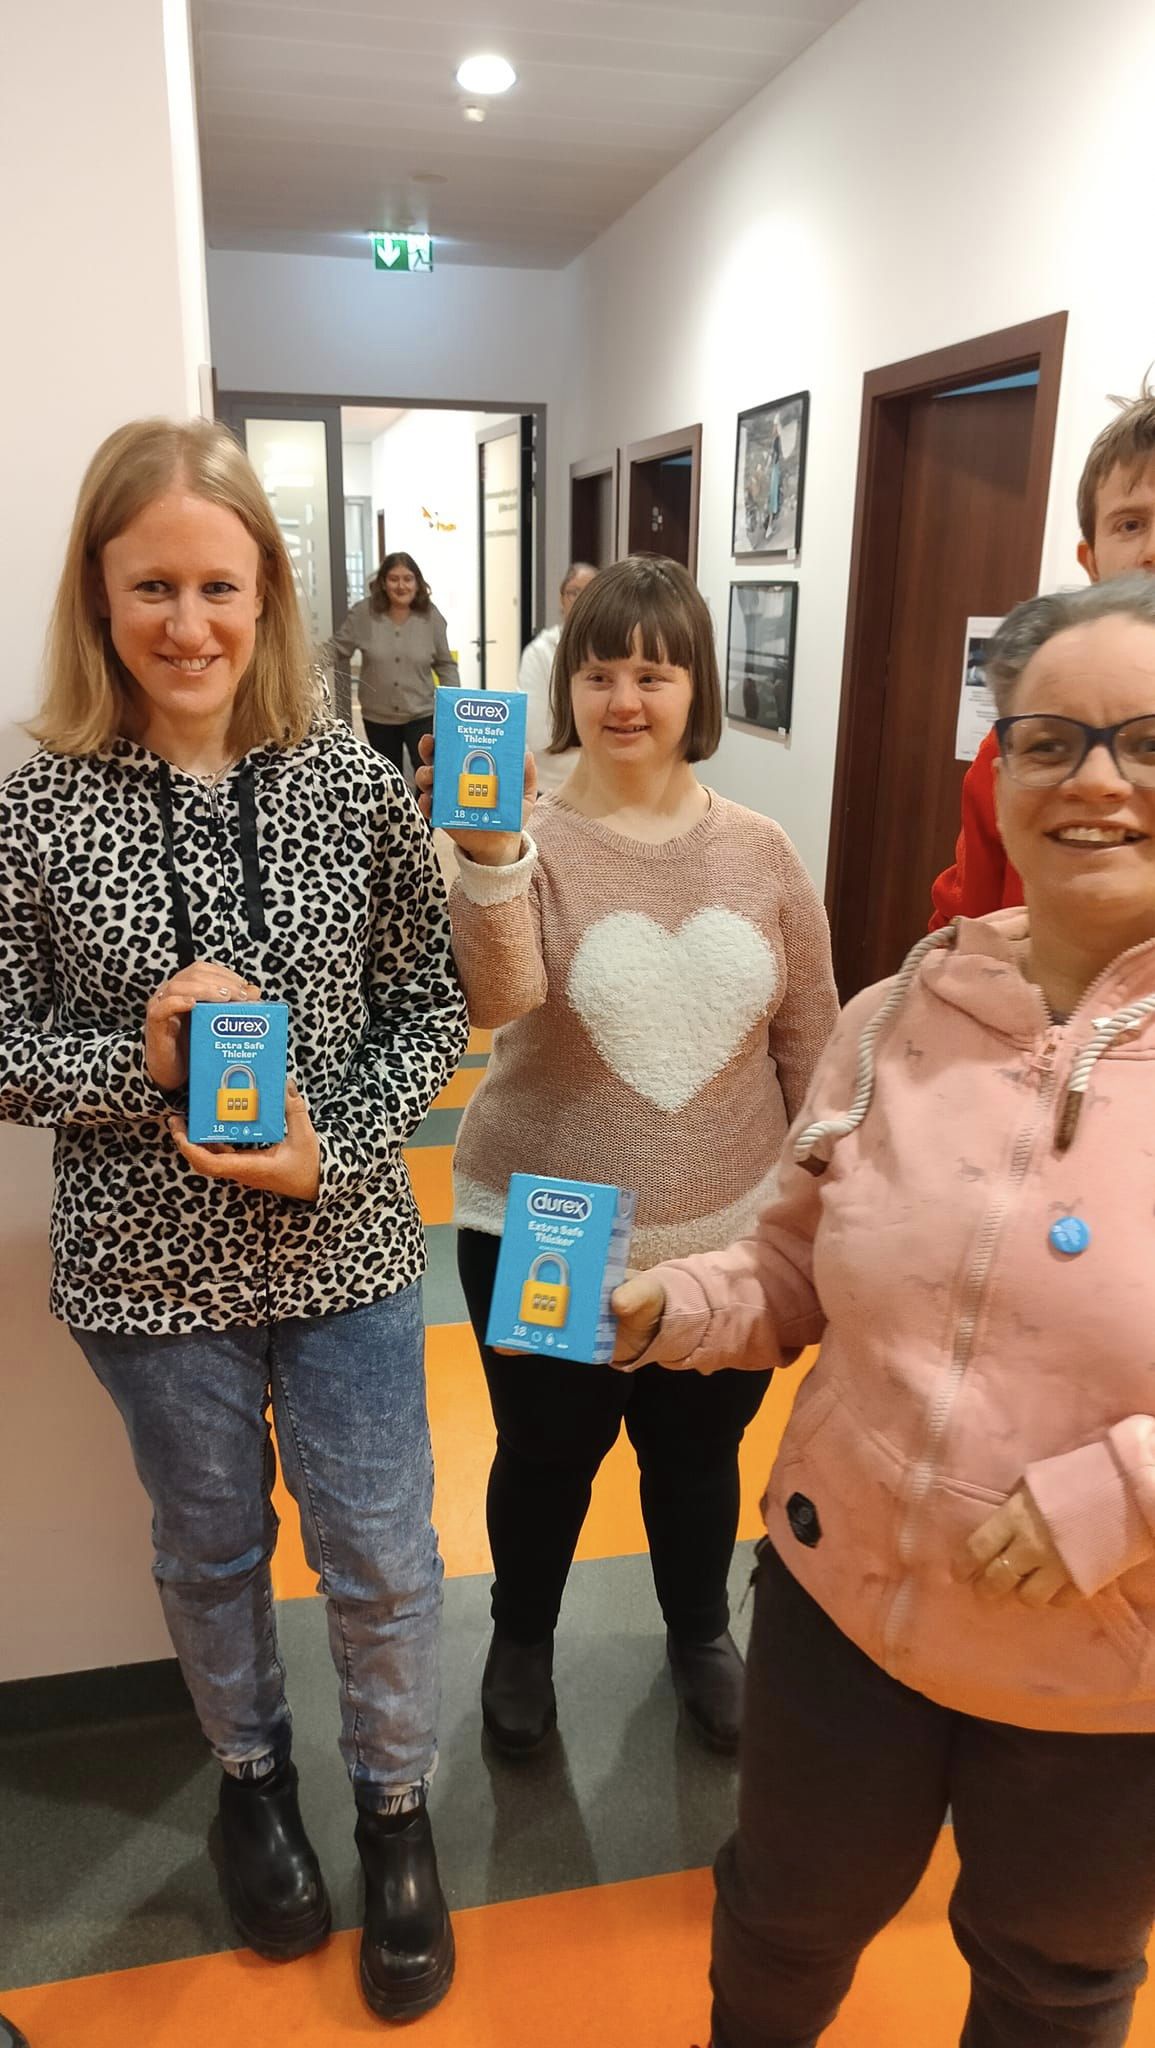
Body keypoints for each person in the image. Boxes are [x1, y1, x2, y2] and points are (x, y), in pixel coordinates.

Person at [614, 573, 1155, 2048]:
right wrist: (674, 1303)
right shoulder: (899, 1015)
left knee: (1051, 1982)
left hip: (1106, 1667)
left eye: (1147, 741)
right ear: (999, 769)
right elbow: (796, 1264)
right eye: (1050, 739)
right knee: (779, 1927)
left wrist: (1119, 1494)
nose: (1096, 780)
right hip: (840, 1602)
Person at [0, 420, 469, 2023]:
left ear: (267, 592)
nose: (188, 623)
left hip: (343, 1250)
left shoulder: (349, 784)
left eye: (219, 585)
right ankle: (251, 1785)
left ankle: (395, 1809)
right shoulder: (37, 809)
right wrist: (133, 1065)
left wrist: (340, 1142)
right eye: (153, 587)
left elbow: (428, 1004)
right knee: (208, 1553)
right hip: (145, 1276)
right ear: (98, 591)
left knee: (381, 1554)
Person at [416, 555, 839, 1757]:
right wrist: (488, 855)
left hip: (728, 1235)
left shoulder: (762, 851)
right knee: (547, 1453)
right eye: (599, 672)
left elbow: (814, 1038)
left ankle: (700, 1631)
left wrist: (821, 1204)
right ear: (568, 687)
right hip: (549, 1217)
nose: (624, 699)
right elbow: (499, 1001)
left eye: (653, 673)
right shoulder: (528, 839)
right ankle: (519, 1637)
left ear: (695, 685)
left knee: (697, 1454)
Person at [930, 378, 1155, 927]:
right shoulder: (1026, 742)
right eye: (1131, 524)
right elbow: (964, 926)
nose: (1153, 550)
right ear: (1091, 561)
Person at [328, 551, 459, 777]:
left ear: (417, 583)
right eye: (393, 579)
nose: (401, 586)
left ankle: (421, 803)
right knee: (388, 777)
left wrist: (454, 705)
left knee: (429, 775)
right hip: (378, 717)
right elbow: (337, 647)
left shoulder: (431, 616)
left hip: (422, 713)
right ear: (382, 583)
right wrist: (297, 661)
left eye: (408, 579)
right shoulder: (363, 613)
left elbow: (445, 665)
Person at [515, 561, 597, 795]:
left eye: (590, 592)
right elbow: (540, 737)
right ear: (562, 599)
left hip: (602, 788)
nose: (581, 600)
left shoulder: (616, 652)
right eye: (574, 592)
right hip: (550, 788)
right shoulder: (539, 653)